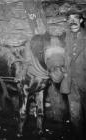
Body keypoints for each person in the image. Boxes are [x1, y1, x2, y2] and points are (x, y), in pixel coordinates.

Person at [64, 10, 86, 140]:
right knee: (75, 116)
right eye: (69, 19)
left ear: (81, 20)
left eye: (76, 18)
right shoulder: (65, 38)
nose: (72, 21)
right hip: (71, 84)